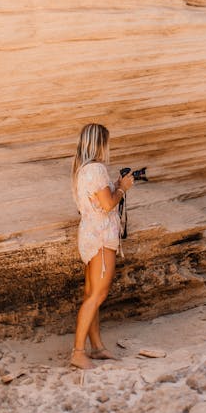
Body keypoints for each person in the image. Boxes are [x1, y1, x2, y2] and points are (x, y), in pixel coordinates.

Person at [70, 122, 134, 370]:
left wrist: (116, 186)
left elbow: (96, 201)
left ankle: (96, 348)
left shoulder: (81, 170)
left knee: (90, 293)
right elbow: (108, 205)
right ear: (99, 143)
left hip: (88, 234)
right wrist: (122, 189)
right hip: (101, 236)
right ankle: (78, 352)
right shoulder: (96, 169)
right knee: (98, 295)